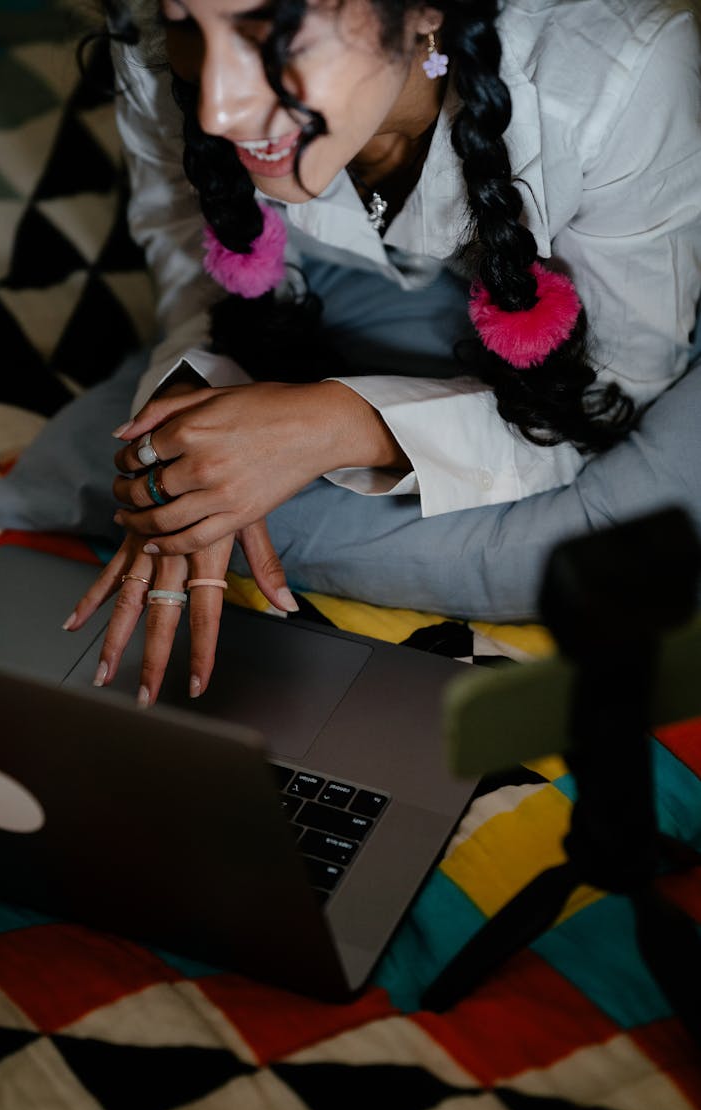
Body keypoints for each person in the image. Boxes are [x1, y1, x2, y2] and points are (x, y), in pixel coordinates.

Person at [65, 0, 701, 706]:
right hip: (331, 290)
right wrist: (192, 418)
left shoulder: (618, 78)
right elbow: (194, 267)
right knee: (165, 470)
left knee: (643, 528)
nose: (217, 108)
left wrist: (337, 425)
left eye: (269, 30)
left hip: (591, 338)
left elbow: (612, 389)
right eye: (188, 23)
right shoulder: (154, 36)